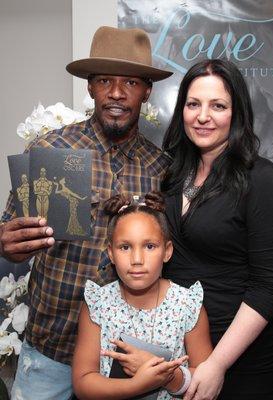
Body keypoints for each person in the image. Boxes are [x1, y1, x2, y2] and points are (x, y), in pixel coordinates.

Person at [0, 26, 172, 400]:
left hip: (125, 357)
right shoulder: (50, 150)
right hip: (52, 349)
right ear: (90, 87)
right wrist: (6, 243)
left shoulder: (162, 169)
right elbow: (9, 231)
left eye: (130, 82)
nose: (116, 92)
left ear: (147, 91)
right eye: (105, 80)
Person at [161, 59, 273, 400]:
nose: (203, 116)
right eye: (193, 104)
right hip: (179, 351)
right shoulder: (173, 176)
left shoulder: (262, 180)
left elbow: (267, 287)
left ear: (237, 114)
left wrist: (218, 363)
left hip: (239, 360)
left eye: (217, 106)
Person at [73, 191, 212, 399]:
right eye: (125, 247)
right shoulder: (98, 304)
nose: (137, 259)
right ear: (110, 253)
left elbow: (206, 382)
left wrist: (166, 376)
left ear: (167, 251)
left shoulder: (187, 305)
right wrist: (138, 385)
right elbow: (83, 383)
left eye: (149, 246)